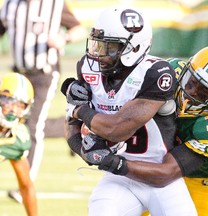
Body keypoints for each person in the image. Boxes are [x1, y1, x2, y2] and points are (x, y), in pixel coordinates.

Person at [62, 6, 197, 216]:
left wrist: (80, 110)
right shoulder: (87, 67)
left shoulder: (155, 73)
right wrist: (87, 152)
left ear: (134, 48)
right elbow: (70, 128)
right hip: (117, 178)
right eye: (98, 45)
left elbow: (117, 129)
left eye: (110, 48)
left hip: (159, 175)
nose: (99, 55)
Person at [98, 45, 208, 216]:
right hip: (156, 160)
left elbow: (166, 172)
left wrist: (116, 164)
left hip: (204, 177)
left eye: (203, 94)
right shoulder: (169, 72)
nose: (191, 93)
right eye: (191, 82)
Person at [0, 0, 87, 202]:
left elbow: (79, 29)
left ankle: (26, 185)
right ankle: (71, 128)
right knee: (13, 123)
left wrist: (63, 38)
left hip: (44, 74)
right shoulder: (10, 4)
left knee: (33, 127)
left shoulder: (54, 4)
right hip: (18, 76)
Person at [0, 73, 37, 216]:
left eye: (20, 105)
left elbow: (26, 186)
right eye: (9, 102)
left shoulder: (16, 138)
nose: (14, 110)